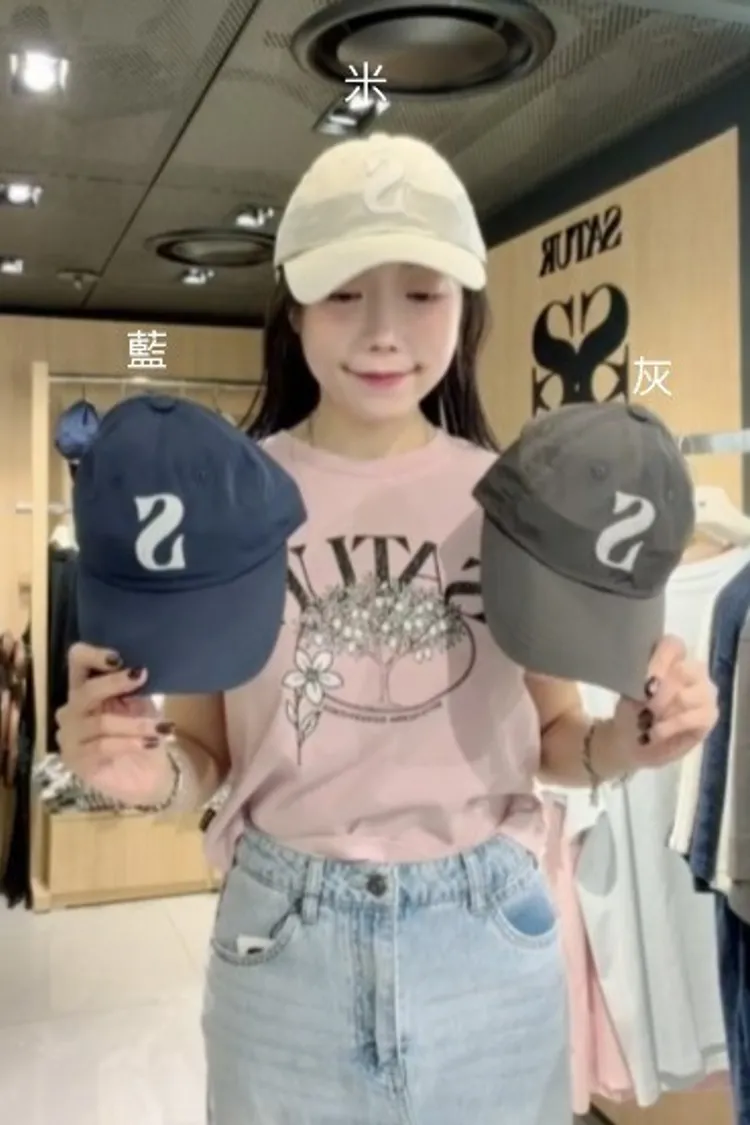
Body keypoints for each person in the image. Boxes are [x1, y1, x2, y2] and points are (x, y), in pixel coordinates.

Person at [56, 133, 718, 1125]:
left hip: (487, 941)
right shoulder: (230, 496)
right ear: (292, 305)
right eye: (343, 292)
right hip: (285, 947)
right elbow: (203, 753)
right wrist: (138, 771)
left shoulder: (514, 496)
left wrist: (637, 738)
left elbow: (557, 739)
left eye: (420, 294)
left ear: (464, 308)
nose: (382, 333)